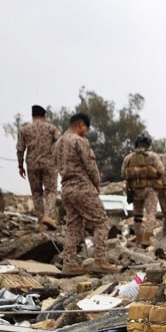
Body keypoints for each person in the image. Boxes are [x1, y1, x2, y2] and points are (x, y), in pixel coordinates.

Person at [54, 112, 117, 274]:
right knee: (101, 221)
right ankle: (100, 260)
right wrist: (96, 184)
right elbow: (91, 166)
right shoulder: (79, 141)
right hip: (82, 187)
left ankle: (69, 263)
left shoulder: (57, 144)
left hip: (66, 188)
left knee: (73, 225)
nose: (86, 133)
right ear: (81, 125)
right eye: (86, 129)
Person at [16, 105, 61, 227]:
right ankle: (48, 216)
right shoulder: (51, 128)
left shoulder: (24, 130)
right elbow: (60, 144)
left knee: (36, 192)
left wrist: (20, 165)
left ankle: (41, 219)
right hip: (49, 164)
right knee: (51, 191)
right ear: (44, 116)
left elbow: (20, 149)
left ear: (32, 115)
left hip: (32, 165)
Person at [122, 133, 166, 243]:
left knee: (137, 215)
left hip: (135, 190)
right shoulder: (153, 156)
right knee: (150, 214)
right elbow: (161, 171)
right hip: (150, 190)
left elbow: (123, 174)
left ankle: (138, 239)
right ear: (149, 144)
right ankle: (147, 239)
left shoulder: (128, 158)